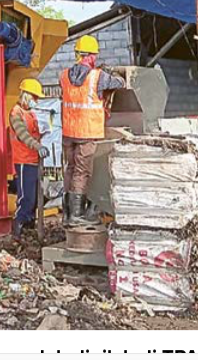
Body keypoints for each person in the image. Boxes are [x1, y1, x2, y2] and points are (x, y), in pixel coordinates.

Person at [58, 35, 125, 226]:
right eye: (94, 55)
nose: (95, 58)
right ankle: (76, 215)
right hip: (87, 132)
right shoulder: (98, 76)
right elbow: (119, 83)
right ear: (90, 56)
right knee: (82, 172)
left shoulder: (63, 75)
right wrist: (112, 73)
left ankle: (67, 213)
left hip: (68, 132)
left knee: (70, 169)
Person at [8, 78, 51, 240]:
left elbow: (33, 133)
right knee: (26, 197)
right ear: (26, 96)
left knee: (35, 197)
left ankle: (29, 225)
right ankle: (18, 223)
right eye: (35, 97)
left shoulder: (30, 114)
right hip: (23, 161)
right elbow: (23, 135)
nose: (36, 101)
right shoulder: (15, 113)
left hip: (33, 160)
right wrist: (38, 146)